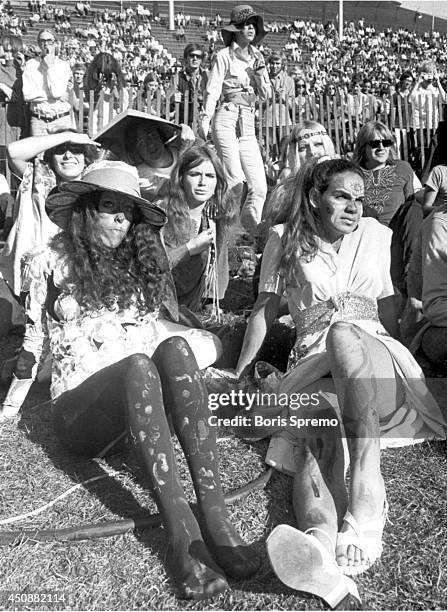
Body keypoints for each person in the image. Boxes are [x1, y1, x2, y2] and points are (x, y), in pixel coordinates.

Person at [0, 160, 258, 599]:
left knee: (174, 349)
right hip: (82, 414)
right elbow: (34, 339)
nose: (122, 219)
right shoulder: (46, 261)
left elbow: (154, 333)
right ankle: (181, 534)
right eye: (109, 207)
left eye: (128, 211)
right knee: (140, 365)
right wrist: (10, 406)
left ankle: (215, 517)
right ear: (85, 210)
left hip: (138, 410)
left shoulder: (138, 264)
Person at [225, 159, 445, 607]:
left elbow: (386, 312)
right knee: (315, 432)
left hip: (372, 355)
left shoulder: (378, 237)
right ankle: (320, 538)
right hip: (311, 361)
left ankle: (368, 487)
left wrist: (405, 367)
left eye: (359, 198)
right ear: (315, 198)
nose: (353, 207)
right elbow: (266, 311)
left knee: (344, 334)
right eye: (342, 196)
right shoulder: (283, 240)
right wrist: (243, 373)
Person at [198, 4, 272, 238]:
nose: (250, 29)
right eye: (245, 25)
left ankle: (250, 232)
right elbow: (213, 89)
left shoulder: (258, 58)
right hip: (227, 117)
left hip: (248, 123)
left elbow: (267, 95)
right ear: (236, 30)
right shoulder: (223, 56)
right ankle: (223, 232)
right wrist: (205, 117)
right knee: (236, 181)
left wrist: (260, 75)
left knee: (259, 187)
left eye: (253, 25)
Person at [1, 130, 99, 295]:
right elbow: (13, 152)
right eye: (60, 150)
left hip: (76, 276)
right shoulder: (40, 177)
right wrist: (67, 135)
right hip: (32, 276)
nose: (68, 156)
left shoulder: (96, 186)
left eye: (76, 150)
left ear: (86, 157)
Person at [159, 144, 237, 313]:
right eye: (194, 174)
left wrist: (211, 304)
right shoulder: (162, 215)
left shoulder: (215, 218)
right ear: (181, 178)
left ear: (218, 182)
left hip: (194, 308)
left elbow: (219, 268)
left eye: (210, 176)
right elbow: (153, 266)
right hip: (159, 304)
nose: (202, 183)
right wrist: (190, 248)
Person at [351, 121, 423, 297]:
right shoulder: (353, 172)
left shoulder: (402, 168)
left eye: (386, 142)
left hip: (397, 234)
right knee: (366, 211)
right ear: (363, 147)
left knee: (413, 207)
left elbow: (411, 202)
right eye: (375, 143)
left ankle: (410, 272)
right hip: (368, 235)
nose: (381, 147)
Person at [96, 109, 195, 202]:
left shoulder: (181, 147)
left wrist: (187, 133)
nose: (150, 144)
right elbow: (172, 191)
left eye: (152, 135)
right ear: (135, 149)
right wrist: (184, 153)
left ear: (160, 135)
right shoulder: (140, 175)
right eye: (141, 142)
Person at [22, 29, 73, 135]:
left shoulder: (63, 65)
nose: (46, 44)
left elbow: (57, 92)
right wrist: (52, 97)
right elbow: (27, 95)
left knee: (62, 151)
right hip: (39, 120)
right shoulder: (31, 64)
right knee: (39, 151)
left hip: (61, 119)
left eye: (49, 41)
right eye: (42, 41)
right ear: (39, 44)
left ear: (56, 43)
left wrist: (49, 68)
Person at [84, 52, 129, 135]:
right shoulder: (91, 87)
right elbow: (91, 105)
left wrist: (114, 89)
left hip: (113, 132)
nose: (105, 77)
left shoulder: (122, 91)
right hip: (94, 130)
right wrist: (98, 88)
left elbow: (121, 110)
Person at [170, 43, 207, 128]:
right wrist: (177, 97)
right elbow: (171, 97)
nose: (195, 59)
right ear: (186, 57)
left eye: (198, 56)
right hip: (182, 123)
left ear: (201, 60)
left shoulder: (207, 77)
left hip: (203, 123)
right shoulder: (177, 78)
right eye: (192, 55)